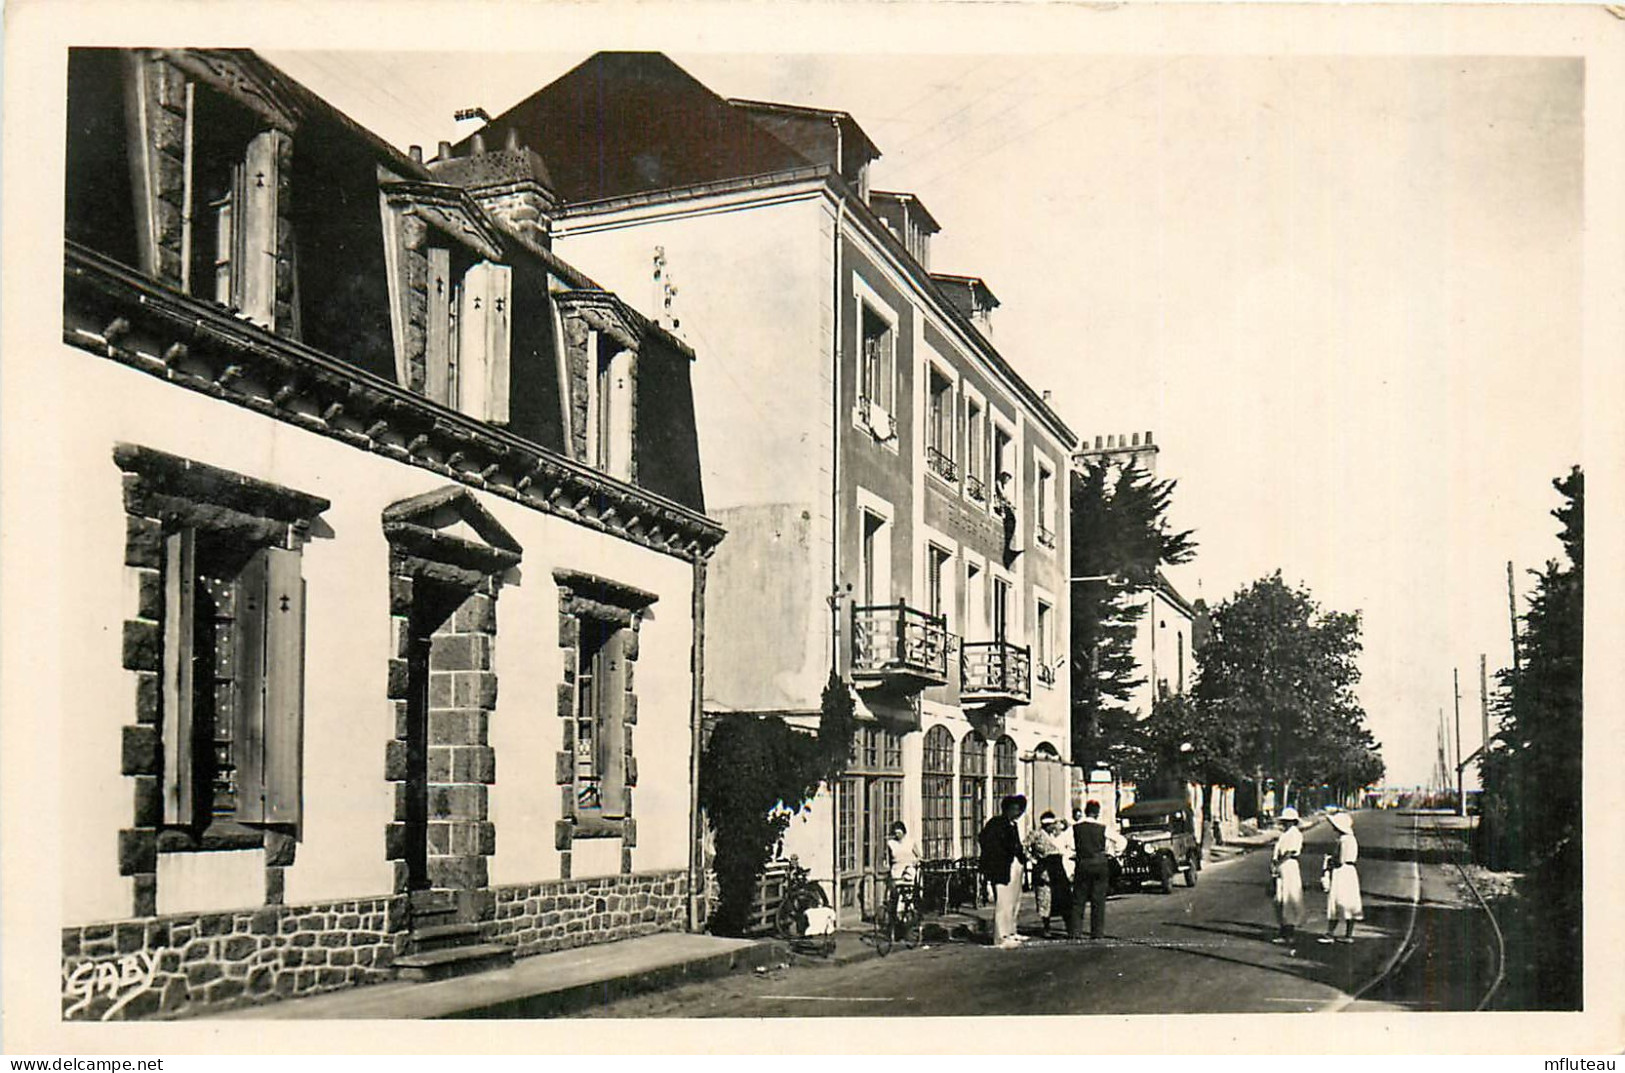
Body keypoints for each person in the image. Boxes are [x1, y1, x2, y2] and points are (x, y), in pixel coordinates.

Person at [979, 794, 1029, 949]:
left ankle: (1011, 931)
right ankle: (1001, 936)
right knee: (1003, 902)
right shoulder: (997, 824)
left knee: (1014, 900)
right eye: (1015, 809)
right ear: (1007, 809)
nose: (1018, 812)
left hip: (1014, 865)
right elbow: (986, 841)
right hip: (1001, 867)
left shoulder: (1012, 825)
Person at [1067, 800, 1121, 940]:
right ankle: (1097, 933)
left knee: (1079, 899)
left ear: (1085, 811)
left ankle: (1075, 932)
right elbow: (1121, 841)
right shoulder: (1103, 828)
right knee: (1098, 900)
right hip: (1100, 864)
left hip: (1083, 864)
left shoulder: (1075, 828)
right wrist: (1114, 853)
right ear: (1097, 813)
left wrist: (1071, 853)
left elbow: (1058, 843)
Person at [1319, 810, 1363, 944]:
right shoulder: (1352, 839)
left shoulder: (1343, 840)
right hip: (1350, 872)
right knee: (1350, 901)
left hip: (1341, 872)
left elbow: (1340, 860)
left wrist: (1329, 861)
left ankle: (1330, 933)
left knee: (1336, 900)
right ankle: (1348, 934)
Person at [1025, 811, 1072, 936]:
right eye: (1052, 824)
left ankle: (1070, 927)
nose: (1055, 826)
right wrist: (1033, 860)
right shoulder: (1036, 834)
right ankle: (1047, 927)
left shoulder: (1057, 835)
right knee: (1045, 898)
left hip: (1058, 867)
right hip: (1044, 867)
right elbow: (1024, 847)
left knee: (1062, 897)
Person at [1269, 806, 1304, 944]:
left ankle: (1289, 933)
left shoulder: (1295, 834)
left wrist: (1277, 864)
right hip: (1282, 866)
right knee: (1280, 898)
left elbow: (1289, 852)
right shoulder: (1285, 834)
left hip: (1289, 866)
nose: (1285, 823)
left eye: (1287, 821)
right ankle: (1283, 930)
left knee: (1288, 897)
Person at [883, 820, 921, 925]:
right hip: (896, 871)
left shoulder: (910, 842)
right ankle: (895, 918)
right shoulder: (891, 844)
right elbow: (888, 859)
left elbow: (919, 856)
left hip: (908, 871)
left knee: (908, 895)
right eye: (895, 833)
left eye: (899, 833)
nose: (897, 835)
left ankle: (908, 916)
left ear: (904, 832)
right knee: (895, 895)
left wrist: (914, 863)